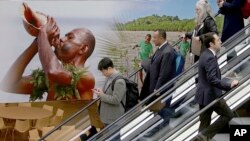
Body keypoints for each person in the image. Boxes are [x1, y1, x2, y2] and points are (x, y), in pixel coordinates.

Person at [1, 16, 96, 101]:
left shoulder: (86, 77)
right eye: (65, 35)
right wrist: (37, 42)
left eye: (70, 37)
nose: (62, 39)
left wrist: (43, 33)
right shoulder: (52, 79)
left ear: (83, 49)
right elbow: (8, 85)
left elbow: (53, 72)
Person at [193, 32, 239, 141]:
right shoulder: (209, 57)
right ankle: (205, 134)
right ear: (211, 44)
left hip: (203, 95)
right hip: (211, 95)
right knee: (228, 115)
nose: (220, 42)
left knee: (204, 123)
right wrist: (229, 84)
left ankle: (203, 136)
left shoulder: (205, 54)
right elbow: (212, 79)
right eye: (218, 40)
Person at [140, 29, 176, 102]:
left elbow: (164, 73)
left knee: (153, 106)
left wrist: (157, 89)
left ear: (161, 38)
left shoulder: (167, 52)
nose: (152, 40)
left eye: (154, 38)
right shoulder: (161, 47)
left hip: (156, 88)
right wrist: (142, 62)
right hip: (152, 82)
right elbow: (153, 59)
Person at [93, 57, 126, 126]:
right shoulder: (108, 78)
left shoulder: (119, 82)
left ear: (109, 68)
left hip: (114, 119)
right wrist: (100, 92)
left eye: (103, 71)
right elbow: (107, 93)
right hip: (107, 117)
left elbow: (116, 100)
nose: (102, 74)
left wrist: (101, 95)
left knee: (114, 137)